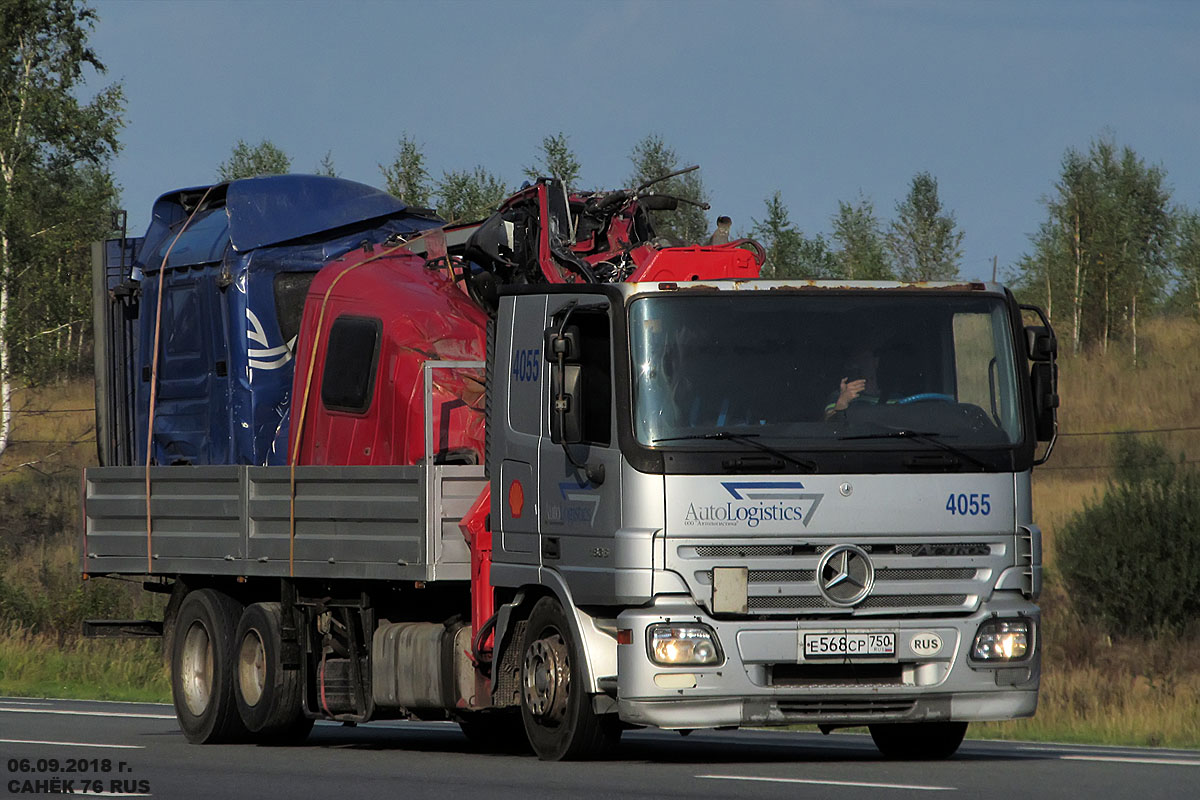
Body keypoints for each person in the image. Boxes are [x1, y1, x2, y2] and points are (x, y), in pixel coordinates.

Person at [824, 347, 880, 420]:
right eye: (857, 360)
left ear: (876, 361)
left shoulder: (895, 397)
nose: (861, 363)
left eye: (866, 358)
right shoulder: (839, 396)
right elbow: (828, 424)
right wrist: (842, 403)